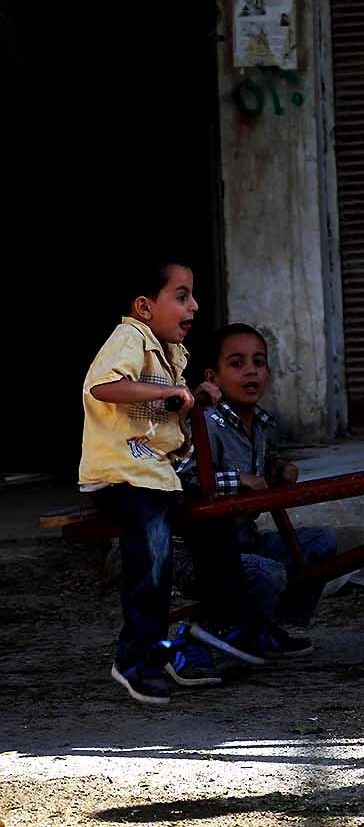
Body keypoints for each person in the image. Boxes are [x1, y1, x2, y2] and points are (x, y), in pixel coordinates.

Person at [80, 259, 263, 705]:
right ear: (144, 306)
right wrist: (168, 393)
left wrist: (191, 397)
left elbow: (167, 417)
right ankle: (136, 658)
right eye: (181, 296)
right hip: (120, 477)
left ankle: (221, 624)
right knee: (154, 558)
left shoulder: (171, 355)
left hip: (157, 479)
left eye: (192, 296)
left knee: (215, 520)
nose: (194, 306)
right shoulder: (131, 339)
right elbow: (102, 387)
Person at [178, 323, 337, 655]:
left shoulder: (260, 424)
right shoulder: (203, 422)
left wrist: (276, 467)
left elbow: (261, 463)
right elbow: (179, 480)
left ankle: (273, 626)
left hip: (244, 541)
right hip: (201, 555)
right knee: (269, 572)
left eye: (258, 362)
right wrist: (238, 481)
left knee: (321, 543)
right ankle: (232, 632)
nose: (250, 371)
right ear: (213, 376)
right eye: (237, 364)